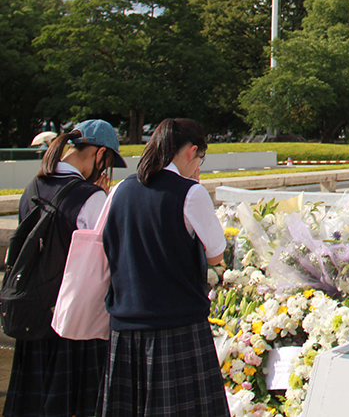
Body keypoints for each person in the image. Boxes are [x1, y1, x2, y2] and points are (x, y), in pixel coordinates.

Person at [99, 118, 227, 417]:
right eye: (200, 160)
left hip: (126, 325)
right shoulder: (189, 193)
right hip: (176, 326)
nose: (198, 167)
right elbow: (216, 255)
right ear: (190, 152)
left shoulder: (120, 190)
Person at [4, 119, 126, 417]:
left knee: (32, 403)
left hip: (33, 310)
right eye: (107, 161)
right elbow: (109, 258)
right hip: (72, 322)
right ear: (99, 154)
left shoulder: (34, 184)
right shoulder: (90, 196)